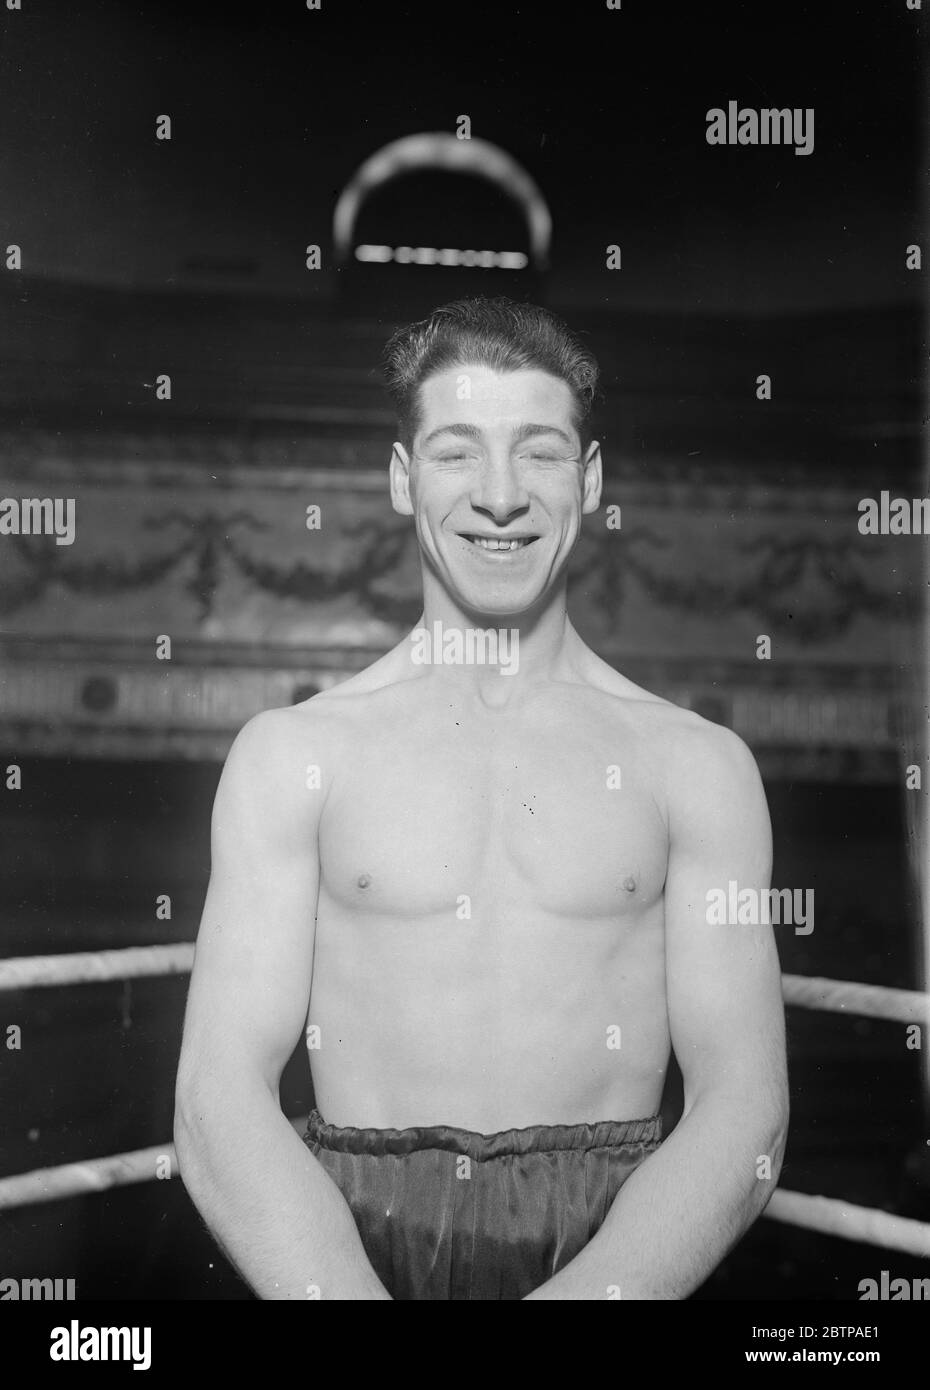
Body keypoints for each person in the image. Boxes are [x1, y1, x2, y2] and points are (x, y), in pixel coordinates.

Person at [174, 296, 789, 1300]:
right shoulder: (290, 756)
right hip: (346, 1258)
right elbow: (218, 1099)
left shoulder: (699, 766)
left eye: (540, 452)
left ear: (589, 482)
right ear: (402, 476)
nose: (501, 495)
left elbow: (745, 1110)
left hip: (613, 1265)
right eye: (458, 452)